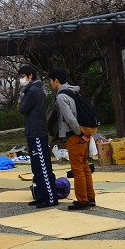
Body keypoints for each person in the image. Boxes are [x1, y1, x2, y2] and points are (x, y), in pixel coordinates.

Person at [48, 67, 97, 210]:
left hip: (75, 135)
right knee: (85, 166)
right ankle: (90, 197)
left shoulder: (61, 96)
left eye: (51, 81)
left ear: (56, 80)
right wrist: (85, 133)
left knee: (77, 169)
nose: (50, 84)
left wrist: (79, 133)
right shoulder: (74, 91)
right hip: (85, 131)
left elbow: (69, 118)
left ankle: (82, 201)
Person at [18, 64, 58, 208]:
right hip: (33, 131)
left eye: (23, 76)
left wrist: (22, 97)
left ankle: (50, 197)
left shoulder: (34, 91)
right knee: (36, 167)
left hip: (37, 132)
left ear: (30, 76)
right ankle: (41, 195)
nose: (21, 79)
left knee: (42, 166)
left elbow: (22, 109)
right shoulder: (31, 90)